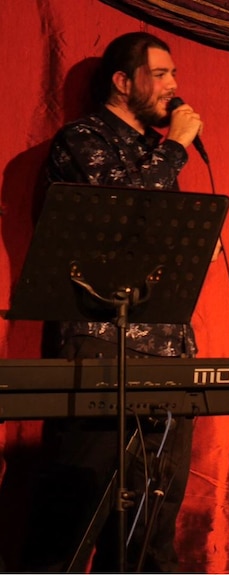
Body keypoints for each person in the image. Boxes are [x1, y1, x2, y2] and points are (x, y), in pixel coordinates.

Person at [18, 32, 205, 572]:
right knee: (80, 500)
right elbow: (120, 210)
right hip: (101, 345)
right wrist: (177, 148)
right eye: (162, 74)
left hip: (166, 347)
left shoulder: (154, 152)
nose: (174, 86)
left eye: (175, 74)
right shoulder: (83, 138)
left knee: (155, 511)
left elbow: (150, 243)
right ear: (124, 82)